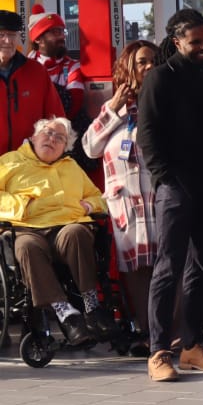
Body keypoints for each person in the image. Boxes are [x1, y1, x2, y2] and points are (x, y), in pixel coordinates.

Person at [136, 9, 203, 381]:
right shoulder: (159, 79)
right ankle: (159, 350)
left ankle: (193, 345)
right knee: (169, 268)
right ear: (177, 42)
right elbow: (147, 135)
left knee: (199, 267)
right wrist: (167, 179)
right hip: (177, 188)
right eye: (195, 42)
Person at [80, 39, 160, 355]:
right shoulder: (112, 108)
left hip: (157, 197)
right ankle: (145, 331)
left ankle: (167, 333)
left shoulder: (162, 101)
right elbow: (89, 147)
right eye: (142, 61)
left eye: (153, 60)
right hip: (125, 203)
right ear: (128, 67)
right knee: (136, 271)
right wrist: (113, 108)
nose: (149, 66)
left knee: (163, 267)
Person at [0, 117, 108, 346]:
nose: (52, 139)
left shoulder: (71, 167)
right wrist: (22, 205)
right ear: (33, 137)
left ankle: (91, 305)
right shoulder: (10, 161)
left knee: (77, 233)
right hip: (26, 228)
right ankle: (65, 313)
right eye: (48, 133)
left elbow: (97, 196)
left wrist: (88, 206)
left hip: (65, 229)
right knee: (27, 246)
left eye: (60, 138)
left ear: (65, 148)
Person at [0, 9, 64, 154]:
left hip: (30, 165)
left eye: (12, 35)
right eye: (1, 35)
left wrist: (51, 154)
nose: (8, 41)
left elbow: (56, 119)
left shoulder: (36, 72)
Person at [26, 4, 86, 125]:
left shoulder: (72, 67)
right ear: (38, 39)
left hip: (62, 130)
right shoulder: (24, 66)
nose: (62, 36)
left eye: (62, 31)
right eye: (55, 32)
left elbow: (74, 104)